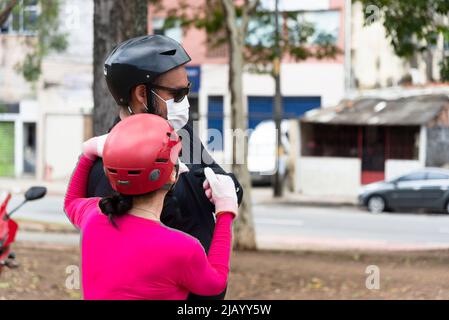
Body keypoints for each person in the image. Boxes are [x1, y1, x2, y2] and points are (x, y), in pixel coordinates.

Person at [87, 34, 243, 300]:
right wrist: (212, 200)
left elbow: (223, 179)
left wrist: (228, 188)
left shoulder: (181, 133)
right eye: (177, 94)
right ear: (140, 94)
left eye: (187, 90)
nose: (185, 102)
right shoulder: (112, 166)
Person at [64, 114, 238, 300]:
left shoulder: (93, 217)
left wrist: (87, 154)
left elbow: (71, 203)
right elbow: (215, 285)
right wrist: (225, 211)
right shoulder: (183, 248)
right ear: (173, 176)